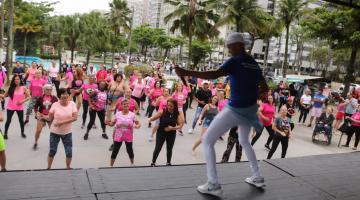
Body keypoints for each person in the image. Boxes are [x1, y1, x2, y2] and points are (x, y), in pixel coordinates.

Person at [175, 32, 268, 197]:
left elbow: (214, 74)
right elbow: (265, 88)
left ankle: (213, 184)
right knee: (245, 141)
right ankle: (257, 177)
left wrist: (186, 71)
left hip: (237, 109)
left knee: (208, 140)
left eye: (230, 47)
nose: (229, 50)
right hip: (250, 109)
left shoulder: (236, 60)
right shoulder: (253, 63)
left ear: (238, 45)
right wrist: (252, 93)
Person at [47, 88, 78, 169]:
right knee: (52, 151)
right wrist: (42, 116)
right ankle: (48, 168)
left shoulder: (72, 104)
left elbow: (74, 118)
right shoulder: (54, 105)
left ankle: (68, 167)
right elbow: (49, 119)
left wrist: (61, 123)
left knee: (69, 152)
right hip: (55, 132)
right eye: (63, 94)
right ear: (59, 96)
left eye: (66, 93)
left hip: (67, 133)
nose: (65, 95)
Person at [106, 99, 140, 167]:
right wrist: (107, 123)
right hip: (118, 135)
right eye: (124, 104)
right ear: (121, 105)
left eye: (127, 104)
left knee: (129, 150)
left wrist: (137, 126)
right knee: (115, 150)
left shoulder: (132, 115)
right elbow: (112, 124)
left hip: (128, 135)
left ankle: (132, 164)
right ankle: (111, 166)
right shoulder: (118, 114)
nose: (126, 105)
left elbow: (138, 124)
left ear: (129, 105)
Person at [149, 99, 183, 166]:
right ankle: (153, 162)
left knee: (169, 148)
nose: (169, 107)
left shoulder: (176, 114)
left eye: (171, 106)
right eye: (168, 105)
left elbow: (180, 125)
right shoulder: (163, 112)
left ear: (175, 106)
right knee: (158, 147)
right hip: (161, 132)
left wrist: (172, 128)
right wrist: (150, 119)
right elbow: (153, 118)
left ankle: (168, 162)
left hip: (171, 134)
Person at [1, 75, 30, 139]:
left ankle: (22, 133)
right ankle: (5, 133)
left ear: (20, 80)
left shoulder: (24, 88)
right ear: (13, 81)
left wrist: (22, 101)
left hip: (19, 107)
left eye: (18, 79)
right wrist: (1, 96)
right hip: (10, 107)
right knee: (8, 120)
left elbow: (29, 97)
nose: (16, 80)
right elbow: (4, 96)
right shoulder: (10, 88)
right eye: (15, 79)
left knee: (21, 121)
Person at [33, 85, 58, 150]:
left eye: (50, 90)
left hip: (50, 116)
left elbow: (57, 106)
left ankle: (52, 143)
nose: (49, 91)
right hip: (42, 116)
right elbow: (35, 106)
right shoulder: (40, 98)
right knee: (38, 130)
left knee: (53, 131)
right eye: (47, 89)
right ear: (44, 90)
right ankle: (35, 142)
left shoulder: (54, 98)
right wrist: (36, 113)